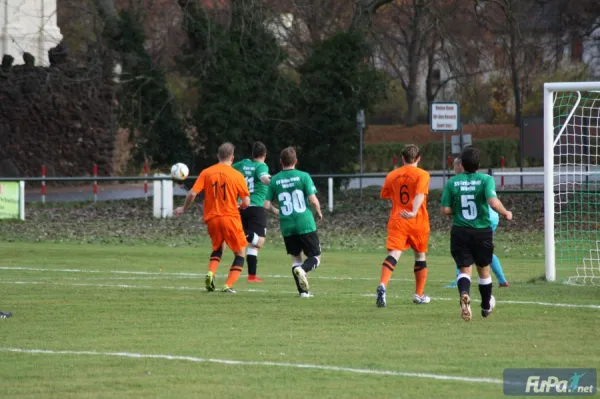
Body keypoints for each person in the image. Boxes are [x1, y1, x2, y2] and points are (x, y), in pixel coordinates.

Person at [440, 146, 513, 321]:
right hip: (481, 232)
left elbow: (445, 209)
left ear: (461, 164)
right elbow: (493, 202)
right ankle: (486, 305)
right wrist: (506, 213)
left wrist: (456, 212)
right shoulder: (485, 180)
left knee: (464, 270)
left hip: (460, 231)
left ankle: (464, 294)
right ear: (478, 164)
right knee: (484, 272)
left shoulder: (452, 182)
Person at [175, 142, 251, 293]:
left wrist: (183, 208)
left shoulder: (207, 172)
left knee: (218, 247)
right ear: (232, 158)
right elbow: (246, 202)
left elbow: (192, 193)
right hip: (230, 217)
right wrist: (241, 205)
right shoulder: (237, 175)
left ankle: (211, 273)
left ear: (218, 156)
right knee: (241, 252)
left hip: (212, 218)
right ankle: (228, 285)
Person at [376, 144, 431, 308]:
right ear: (419, 158)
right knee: (420, 256)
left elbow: (385, 194)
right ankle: (418, 295)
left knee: (394, 254)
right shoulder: (423, 174)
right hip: (417, 221)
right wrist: (414, 211)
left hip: (398, 220)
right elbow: (420, 194)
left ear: (402, 158)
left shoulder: (393, 175)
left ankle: (383, 285)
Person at [263, 147, 323, 297]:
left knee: (296, 257)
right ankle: (303, 270)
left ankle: (303, 293)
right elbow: (313, 200)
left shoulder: (275, 180)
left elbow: (266, 204)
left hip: (287, 225)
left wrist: (278, 212)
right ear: (296, 161)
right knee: (316, 257)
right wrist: (319, 213)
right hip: (305, 223)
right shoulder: (303, 176)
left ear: (281, 162)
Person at [445, 157, 509, 288]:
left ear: (461, 166)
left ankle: (460, 279)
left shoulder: (457, 182)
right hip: (491, 217)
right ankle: (502, 280)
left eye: (454, 166)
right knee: (485, 249)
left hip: (481, 218)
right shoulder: (483, 178)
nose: (453, 169)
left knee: (464, 247)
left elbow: (448, 208)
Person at [232, 142, 278, 283]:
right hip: (255, 208)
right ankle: (242, 233)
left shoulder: (243, 164)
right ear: (265, 155)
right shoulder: (261, 166)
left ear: (252, 154)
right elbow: (264, 178)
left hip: (241, 206)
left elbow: (228, 170)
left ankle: (252, 276)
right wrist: (277, 182)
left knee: (252, 245)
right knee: (259, 242)